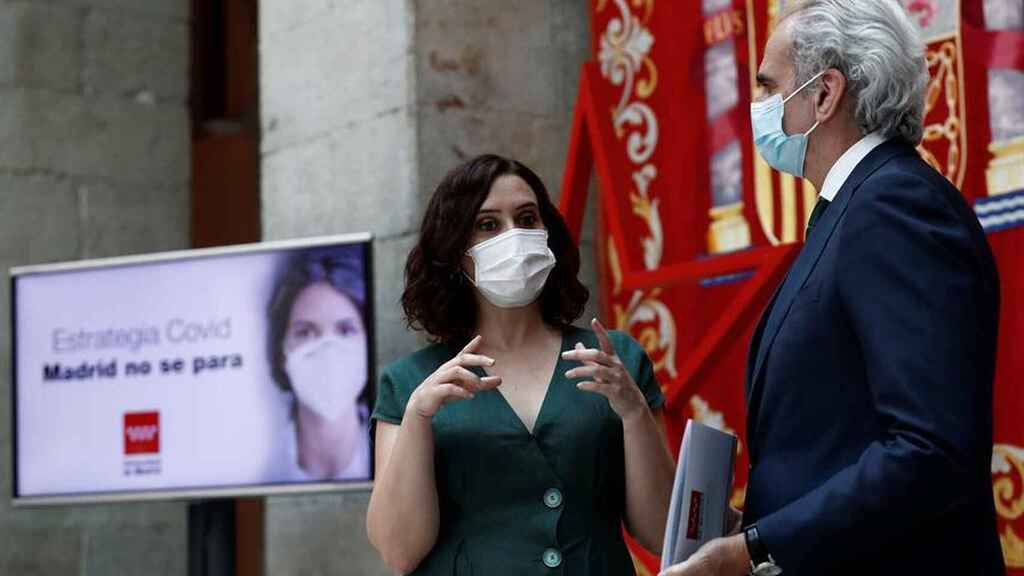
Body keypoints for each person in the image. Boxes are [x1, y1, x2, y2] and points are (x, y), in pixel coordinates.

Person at [661, 1, 1004, 575]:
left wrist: (755, 550)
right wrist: (757, 526)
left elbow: (930, 449)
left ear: (824, 95)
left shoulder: (893, 206)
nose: (758, 107)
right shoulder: (855, 207)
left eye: (770, 87)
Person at [366, 154, 675, 574]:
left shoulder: (615, 359)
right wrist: (419, 418)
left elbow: (661, 532)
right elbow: (399, 553)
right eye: (488, 224)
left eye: (527, 218)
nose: (514, 236)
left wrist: (635, 411)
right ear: (457, 251)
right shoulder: (410, 382)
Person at [267, 246, 373, 481]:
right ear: (281, 352)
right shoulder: (261, 463)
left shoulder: (393, 451)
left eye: (345, 330)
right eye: (305, 332)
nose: (328, 349)